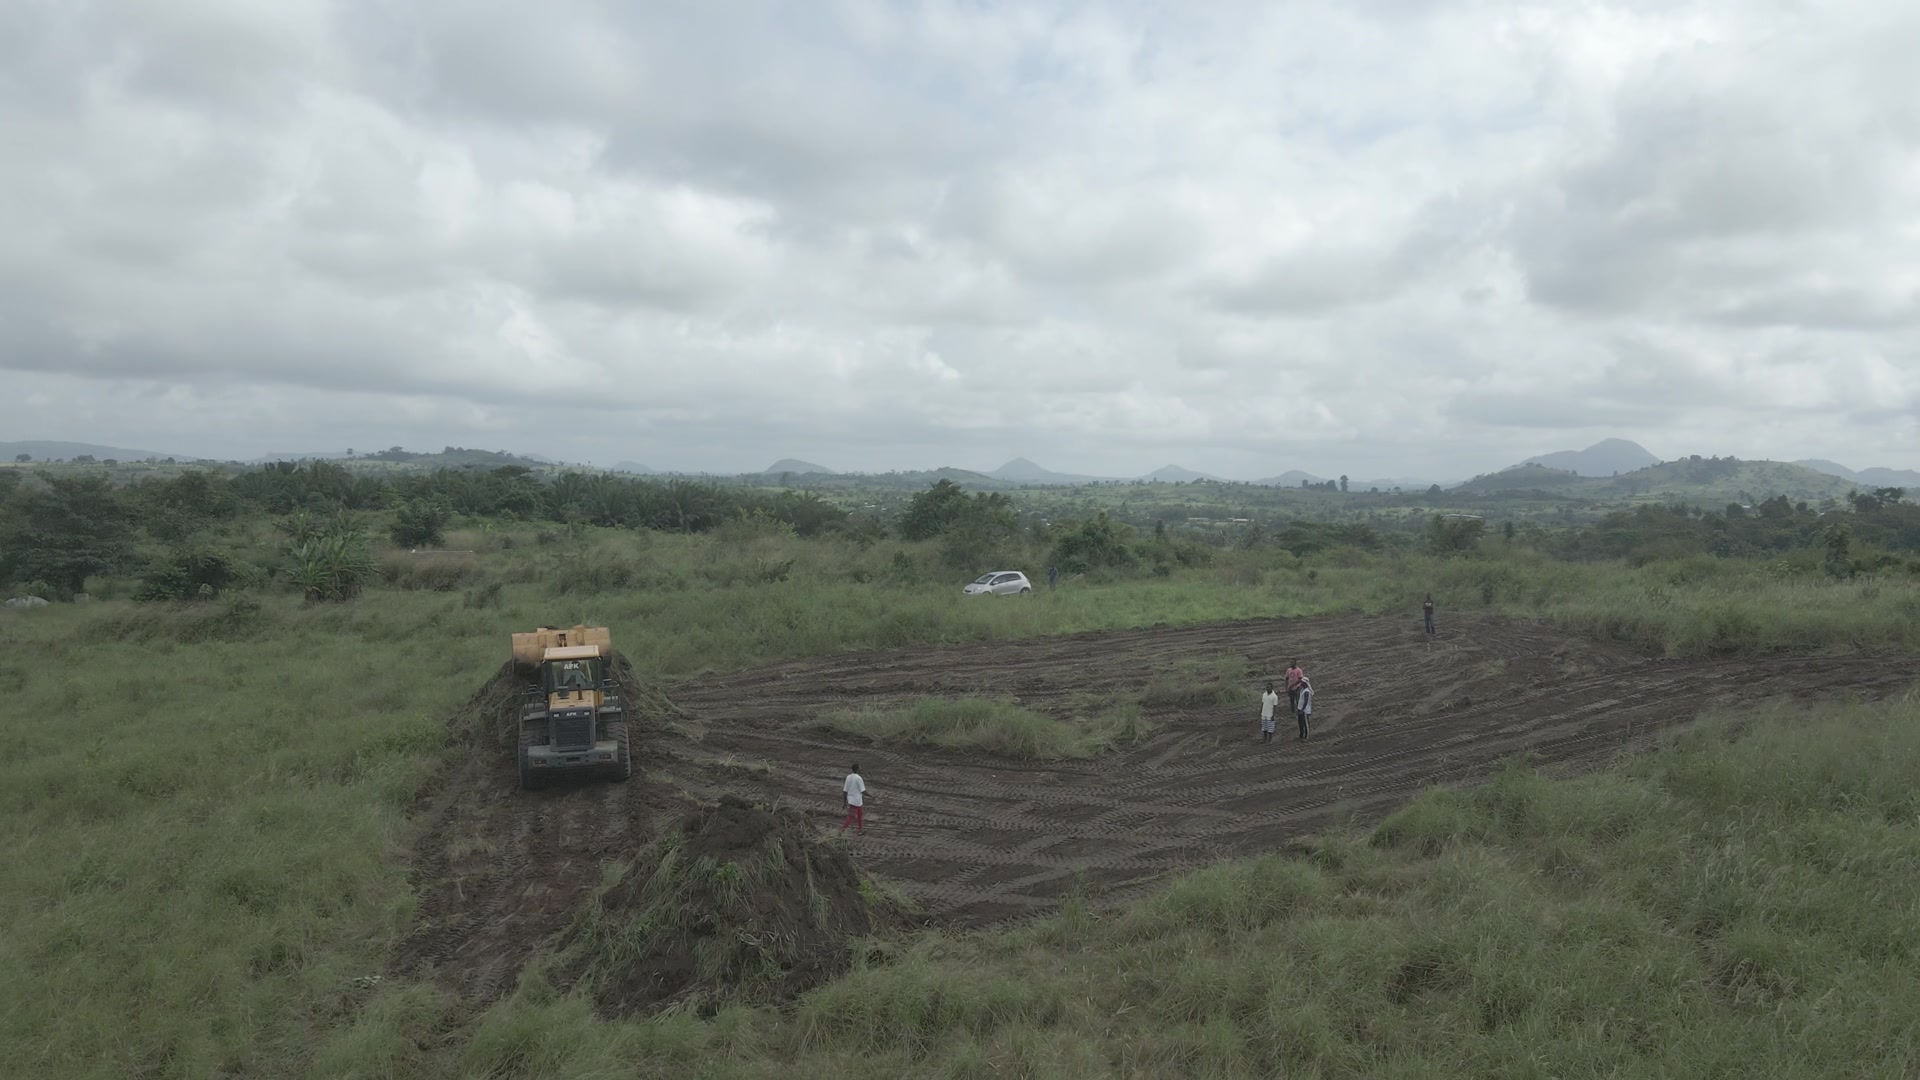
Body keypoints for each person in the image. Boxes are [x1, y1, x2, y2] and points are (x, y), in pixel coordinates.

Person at [841, 763, 866, 834]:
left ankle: (860, 830)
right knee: (851, 816)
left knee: (860, 815)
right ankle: (841, 830)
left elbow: (845, 791)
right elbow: (863, 791)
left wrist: (844, 802)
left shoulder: (848, 777)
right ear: (857, 769)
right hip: (857, 801)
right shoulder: (858, 778)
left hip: (851, 800)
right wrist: (871, 796)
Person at [1295, 675, 1314, 741]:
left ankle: (1306, 736)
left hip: (1305, 711)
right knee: (1300, 723)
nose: (1301, 683)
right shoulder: (1303, 690)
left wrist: (1302, 709)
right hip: (1301, 709)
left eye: (1302, 682)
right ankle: (1301, 735)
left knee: (1305, 724)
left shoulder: (1306, 691)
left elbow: (1305, 702)